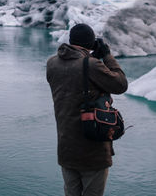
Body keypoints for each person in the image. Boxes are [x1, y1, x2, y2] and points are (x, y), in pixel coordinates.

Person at [46, 23, 128, 196]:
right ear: (90, 43)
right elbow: (120, 84)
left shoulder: (52, 63)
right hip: (92, 150)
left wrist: (93, 59)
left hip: (66, 147)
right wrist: (106, 56)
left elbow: (75, 82)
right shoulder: (90, 65)